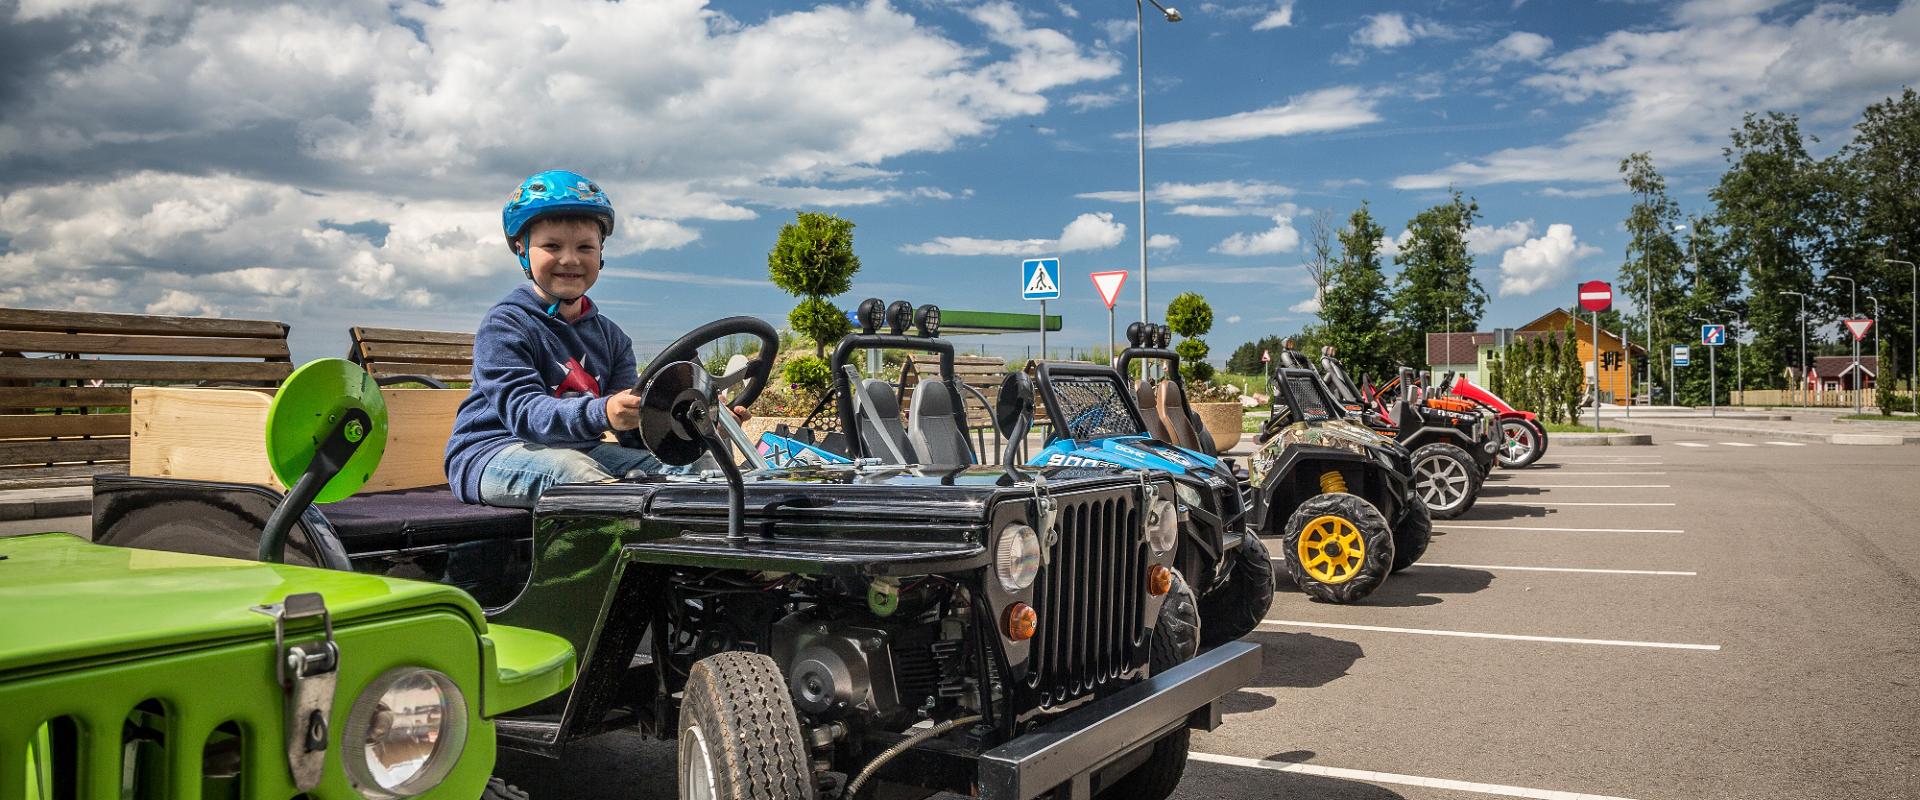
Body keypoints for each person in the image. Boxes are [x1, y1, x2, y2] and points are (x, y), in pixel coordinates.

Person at [444, 169, 743, 508]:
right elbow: (524, 414)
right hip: (494, 453)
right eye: (552, 246)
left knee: (699, 466)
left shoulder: (612, 338)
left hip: (581, 451)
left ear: (600, 252)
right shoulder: (505, 324)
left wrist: (696, 420)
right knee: (579, 476)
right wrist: (604, 411)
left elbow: (632, 429)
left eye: (585, 247)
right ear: (522, 251)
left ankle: (698, 557)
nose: (570, 259)